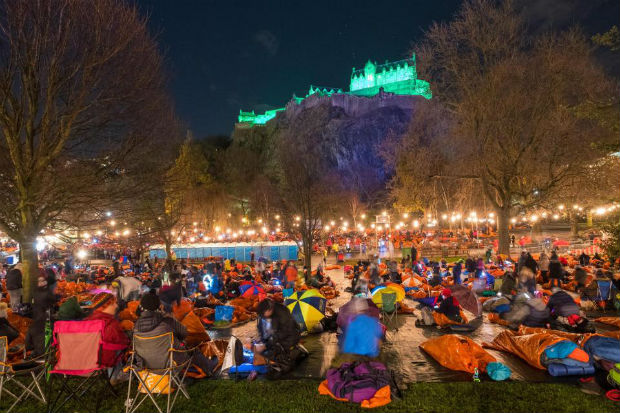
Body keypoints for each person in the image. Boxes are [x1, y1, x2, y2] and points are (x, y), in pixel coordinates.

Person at [134, 291, 218, 375]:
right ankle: (209, 366)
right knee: (191, 349)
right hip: (170, 364)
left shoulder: (136, 327)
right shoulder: (166, 321)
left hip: (146, 365)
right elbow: (184, 333)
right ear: (159, 305)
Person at [255, 299, 301, 375]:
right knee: (264, 351)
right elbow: (261, 329)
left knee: (274, 352)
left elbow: (287, 331)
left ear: (269, 310)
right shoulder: (264, 314)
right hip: (275, 338)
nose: (262, 316)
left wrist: (266, 344)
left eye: (263, 314)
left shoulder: (282, 312)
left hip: (291, 336)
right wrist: (261, 340)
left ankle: (285, 359)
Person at [85, 292, 129, 367]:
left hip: (85, 359)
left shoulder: (87, 321)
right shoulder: (111, 324)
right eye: (113, 304)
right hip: (102, 362)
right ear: (104, 306)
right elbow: (124, 342)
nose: (116, 306)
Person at [25, 274, 57, 356]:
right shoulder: (47, 292)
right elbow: (53, 300)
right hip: (46, 314)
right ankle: (48, 350)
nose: (42, 282)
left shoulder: (35, 292)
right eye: (41, 281)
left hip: (38, 314)